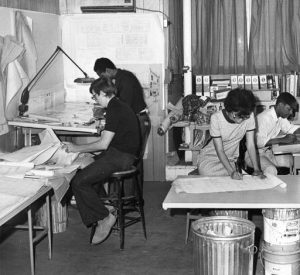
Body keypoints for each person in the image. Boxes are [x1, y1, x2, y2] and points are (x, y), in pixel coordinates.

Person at [63, 76, 140, 245]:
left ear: (103, 93)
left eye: (95, 96)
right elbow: (108, 143)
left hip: (122, 157)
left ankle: (105, 218)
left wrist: (76, 148)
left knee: (78, 182)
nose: (95, 100)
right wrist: (86, 154)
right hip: (120, 152)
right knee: (86, 166)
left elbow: (104, 144)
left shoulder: (115, 109)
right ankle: (106, 208)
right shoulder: (117, 105)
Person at [197, 88, 264, 179]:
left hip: (230, 160)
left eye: (244, 117)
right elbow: (219, 150)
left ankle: (235, 171)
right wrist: (231, 172)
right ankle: (235, 171)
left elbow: (251, 145)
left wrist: (257, 169)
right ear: (229, 109)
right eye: (236, 116)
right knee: (207, 172)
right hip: (210, 159)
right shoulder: (216, 118)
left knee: (237, 177)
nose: (240, 120)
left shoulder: (249, 116)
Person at [93, 58, 151, 158]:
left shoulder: (126, 80)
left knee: (134, 158)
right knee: (131, 157)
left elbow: (122, 107)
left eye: (102, 76)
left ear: (108, 71)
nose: (103, 80)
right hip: (136, 119)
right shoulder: (121, 77)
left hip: (139, 120)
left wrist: (106, 114)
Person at [245, 92, 300, 175]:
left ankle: (285, 185)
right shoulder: (264, 118)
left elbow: (291, 128)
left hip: (268, 153)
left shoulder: (280, 117)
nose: (291, 113)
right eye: (289, 109)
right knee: (271, 170)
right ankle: (267, 187)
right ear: (280, 105)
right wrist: (282, 140)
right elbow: (258, 143)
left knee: (289, 161)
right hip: (254, 155)